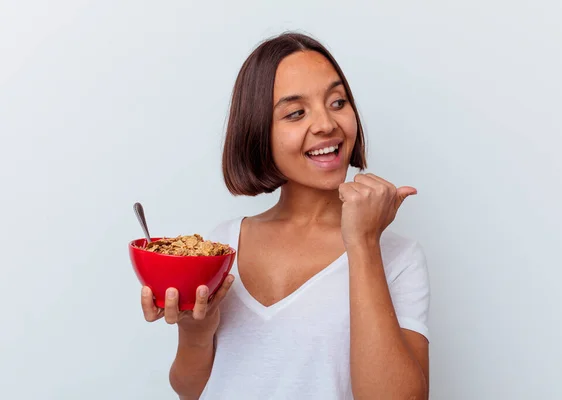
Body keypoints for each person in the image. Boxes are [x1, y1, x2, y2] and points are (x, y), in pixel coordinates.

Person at [141, 32, 430, 400]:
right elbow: (192, 389)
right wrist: (195, 333)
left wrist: (363, 242)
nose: (327, 124)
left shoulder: (398, 258)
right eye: (296, 113)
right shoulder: (223, 247)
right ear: (259, 131)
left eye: (338, 102)